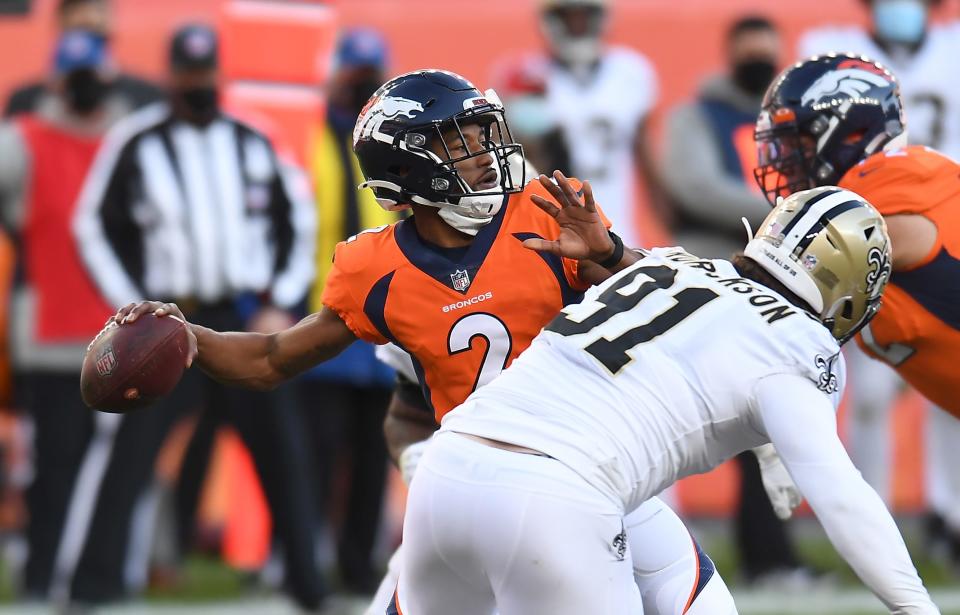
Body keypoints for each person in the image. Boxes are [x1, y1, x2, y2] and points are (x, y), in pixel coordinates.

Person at [112, 68, 742, 614]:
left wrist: (608, 253)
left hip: (518, 481)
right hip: (548, 479)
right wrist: (188, 335)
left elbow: (665, 303)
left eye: (480, 134)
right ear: (409, 164)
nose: (484, 152)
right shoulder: (376, 271)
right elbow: (275, 357)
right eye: (459, 142)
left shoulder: (538, 216)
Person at [398, 185, 941, 615]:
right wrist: (913, 604)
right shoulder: (797, 343)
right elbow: (841, 493)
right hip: (559, 492)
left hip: (447, 469)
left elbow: (701, 341)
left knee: (703, 597)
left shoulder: (674, 263)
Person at [71, 24, 322, 609]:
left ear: (218, 73)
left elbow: (299, 219)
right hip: (166, 324)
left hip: (244, 319)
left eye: (205, 72)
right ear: (171, 76)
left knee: (284, 454)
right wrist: (129, 308)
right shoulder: (136, 141)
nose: (198, 83)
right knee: (128, 456)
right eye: (188, 73)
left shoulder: (254, 138)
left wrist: (281, 298)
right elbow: (94, 226)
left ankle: (307, 585)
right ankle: (92, 587)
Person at [753, 51, 960, 570]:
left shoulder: (888, 187)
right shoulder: (857, 204)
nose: (782, 160)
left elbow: (758, 294)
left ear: (847, 132)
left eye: (796, 144)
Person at [0, 29, 150, 604]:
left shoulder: (134, 139)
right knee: (55, 464)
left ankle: (109, 576)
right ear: (55, 79)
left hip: (126, 333)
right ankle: (42, 576)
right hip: (52, 331)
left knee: (121, 468)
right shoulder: (24, 140)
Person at [663, 15, 813, 585]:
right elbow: (693, 184)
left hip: (776, 289)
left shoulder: (791, 122)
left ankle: (770, 556)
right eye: (749, 49)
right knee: (685, 425)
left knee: (769, 424)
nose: (758, 57)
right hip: (715, 281)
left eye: (766, 49)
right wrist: (790, 218)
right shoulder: (696, 115)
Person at [302, 27, 400, 595]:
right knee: (315, 452)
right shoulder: (307, 137)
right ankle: (302, 560)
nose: (361, 81)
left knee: (371, 455)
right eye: (353, 70)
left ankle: (358, 567)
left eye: (370, 71)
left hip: (384, 321)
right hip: (317, 317)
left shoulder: (396, 148)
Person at [538, 0, 668, 247]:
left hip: (619, 226)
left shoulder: (631, 72)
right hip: (555, 229)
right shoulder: (529, 76)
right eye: (569, 18)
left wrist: (668, 223)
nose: (578, 25)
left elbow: (646, 156)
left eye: (584, 17)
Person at [4, 0, 161, 117]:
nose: (87, 16)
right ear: (59, 24)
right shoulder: (26, 101)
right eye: (76, 14)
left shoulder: (148, 96)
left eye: (97, 12)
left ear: (111, 24)